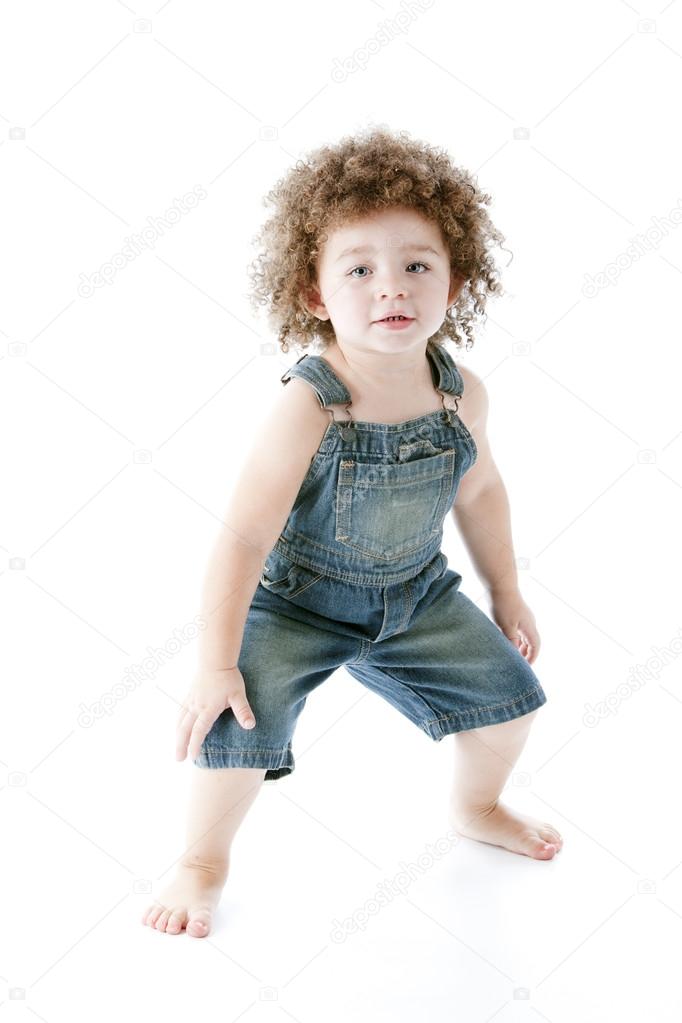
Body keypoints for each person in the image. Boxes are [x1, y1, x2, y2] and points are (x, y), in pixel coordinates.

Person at [141, 125, 563, 939]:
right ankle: (202, 861)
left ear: (457, 281)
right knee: (238, 723)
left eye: (417, 265)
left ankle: (477, 803)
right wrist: (216, 660)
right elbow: (242, 536)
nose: (390, 287)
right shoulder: (311, 402)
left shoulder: (460, 392)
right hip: (299, 601)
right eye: (359, 269)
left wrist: (506, 589)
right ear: (314, 294)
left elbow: (480, 489)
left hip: (416, 595)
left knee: (513, 700)